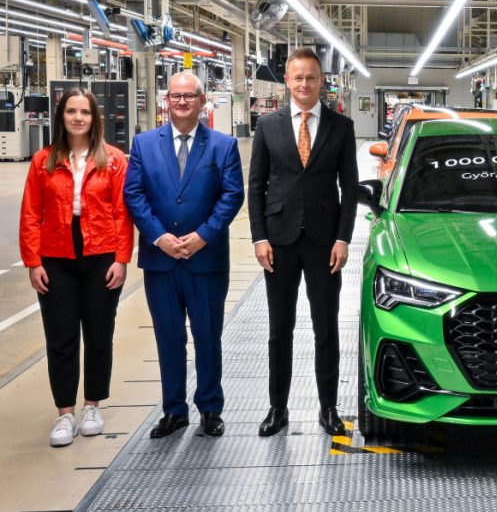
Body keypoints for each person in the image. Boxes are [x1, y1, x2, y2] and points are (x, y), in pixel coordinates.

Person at [123, 72, 245, 439]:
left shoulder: (224, 145)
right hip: (161, 261)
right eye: (175, 96)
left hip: (205, 260)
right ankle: (174, 410)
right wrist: (159, 237)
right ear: (166, 100)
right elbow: (134, 195)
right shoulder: (144, 144)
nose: (181, 101)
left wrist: (203, 236)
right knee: (169, 337)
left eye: (189, 96)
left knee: (208, 336)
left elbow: (232, 195)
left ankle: (210, 408)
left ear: (202, 101)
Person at [249, 48, 358, 437]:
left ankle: (328, 408)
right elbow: (256, 185)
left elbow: (350, 187)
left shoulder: (341, 127)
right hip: (279, 241)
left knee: (325, 327)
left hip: (324, 242)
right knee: (280, 329)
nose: (304, 84)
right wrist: (259, 237)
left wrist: (343, 238)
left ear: (321, 80)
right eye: (298, 77)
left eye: (311, 77)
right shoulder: (268, 125)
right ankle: (277, 408)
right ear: (287, 81)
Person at [20, 89, 133, 447]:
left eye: (84, 112)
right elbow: (30, 213)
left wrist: (121, 259)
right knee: (61, 337)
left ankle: (92, 406)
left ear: (94, 118)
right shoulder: (43, 161)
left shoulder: (113, 159)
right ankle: (65, 413)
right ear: (62, 117)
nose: (78, 118)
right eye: (71, 111)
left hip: (101, 253)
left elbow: (122, 212)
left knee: (99, 334)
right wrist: (33, 261)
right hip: (56, 255)